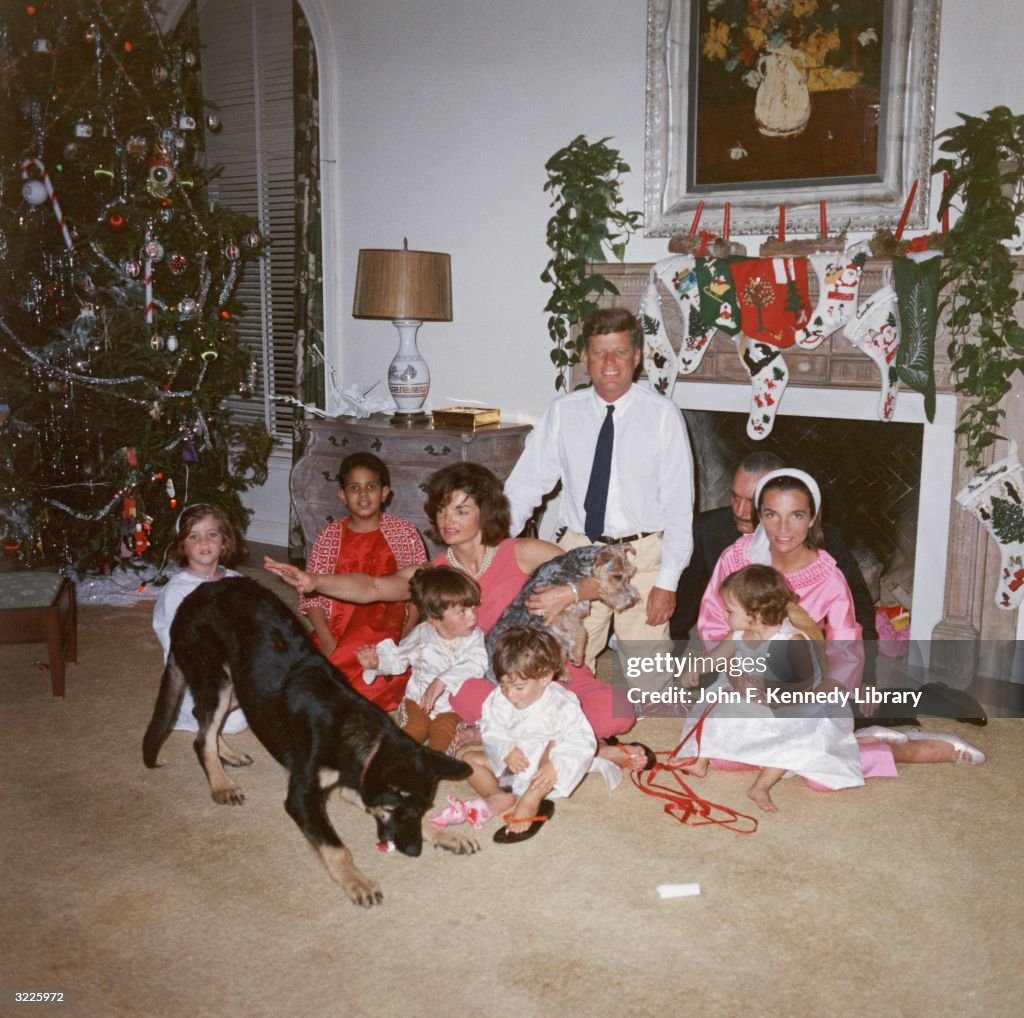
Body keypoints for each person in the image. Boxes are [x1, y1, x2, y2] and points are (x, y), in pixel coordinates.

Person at [265, 461, 654, 769]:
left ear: (485, 514)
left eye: (461, 510)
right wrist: (314, 580)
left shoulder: (521, 551)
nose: (448, 520)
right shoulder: (436, 573)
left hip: (550, 671)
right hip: (489, 683)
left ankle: (518, 742)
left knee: (621, 714)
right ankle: (576, 749)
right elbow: (371, 587)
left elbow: (599, 577)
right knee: (460, 692)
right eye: (442, 510)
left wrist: (566, 594)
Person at [693, 469, 985, 780]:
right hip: (746, 682)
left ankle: (905, 750)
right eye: (771, 514)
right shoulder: (735, 559)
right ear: (759, 515)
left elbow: (846, 644)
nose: (782, 528)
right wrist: (737, 676)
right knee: (727, 757)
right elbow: (713, 623)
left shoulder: (828, 576)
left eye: (796, 515)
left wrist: (820, 696)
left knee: (815, 763)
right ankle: (863, 737)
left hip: (807, 684)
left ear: (812, 517)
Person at [504, 307, 694, 672]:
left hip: (642, 557)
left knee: (649, 687)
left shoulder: (662, 415)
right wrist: (491, 554)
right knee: (563, 669)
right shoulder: (563, 412)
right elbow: (525, 487)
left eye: (620, 352)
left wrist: (667, 583)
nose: (610, 362)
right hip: (581, 553)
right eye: (599, 352)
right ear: (585, 357)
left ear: (636, 357)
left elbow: (679, 507)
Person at [673, 564, 864, 812]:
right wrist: (698, 667)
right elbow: (717, 657)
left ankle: (761, 785)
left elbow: (798, 688)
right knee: (714, 715)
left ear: (755, 614)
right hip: (749, 695)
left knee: (793, 738)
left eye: (730, 610)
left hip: (791, 704)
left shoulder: (790, 642)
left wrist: (764, 693)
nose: (723, 615)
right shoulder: (739, 634)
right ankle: (700, 761)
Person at [671, 451, 877, 642]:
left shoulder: (827, 559)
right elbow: (706, 615)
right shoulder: (723, 546)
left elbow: (852, 619)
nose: (741, 511)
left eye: (750, 501)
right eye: (735, 496)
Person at [462, 626, 616, 843]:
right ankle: (496, 794)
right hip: (513, 762)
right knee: (469, 760)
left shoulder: (562, 704)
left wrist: (553, 765)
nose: (509, 695)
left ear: (545, 677)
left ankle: (531, 799)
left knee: (554, 755)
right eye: (504, 685)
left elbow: (577, 740)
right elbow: (490, 726)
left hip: (544, 765)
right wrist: (505, 749)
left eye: (518, 687)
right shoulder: (499, 698)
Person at [300, 452, 426, 711]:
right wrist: (327, 641)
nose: (364, 495)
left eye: (371, 487)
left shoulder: (405, 534)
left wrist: (405, 633)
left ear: (385, 493)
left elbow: (421, 592)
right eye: (354, 488)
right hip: (339, 626)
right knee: (316, 679)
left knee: (379, 683)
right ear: (342, 495)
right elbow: (310, 595)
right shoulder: (329, 536)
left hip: (387, 628)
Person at [356, 566, 487, 753]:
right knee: (413, 732)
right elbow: (398, 659)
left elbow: (477, 663)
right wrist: (377, 663)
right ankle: (390, 763)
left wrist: (442, 680)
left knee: (441, 741)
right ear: (434, 620)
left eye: (473, 607)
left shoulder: (474, 637)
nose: (473, 616)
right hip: (418, 700)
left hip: (451, 709)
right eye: (462, 612)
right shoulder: (421, 635)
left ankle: (430, 769)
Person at [152, 503, 248, 734]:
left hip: (235, 668)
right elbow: (175, 642)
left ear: (224, 541)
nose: (204, 542)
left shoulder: (237, 581)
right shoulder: (177, 591)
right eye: (194, 536)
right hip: (197, 676)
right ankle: (186, 716)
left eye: (212, 534)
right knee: (234, 724)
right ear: (183, 546)